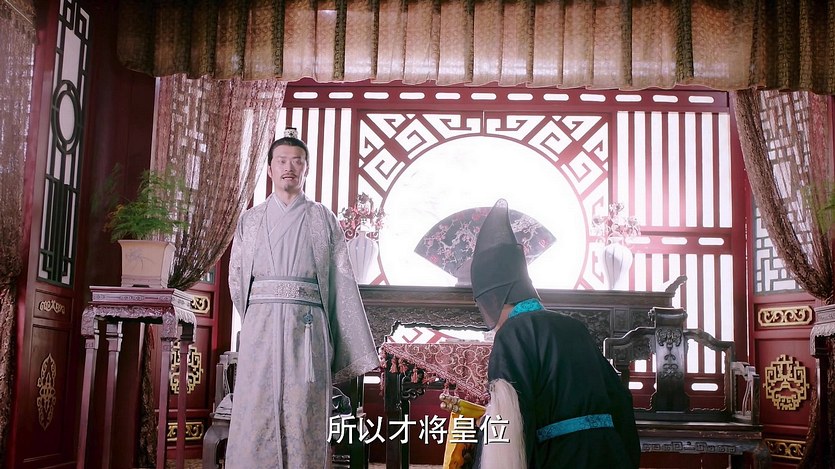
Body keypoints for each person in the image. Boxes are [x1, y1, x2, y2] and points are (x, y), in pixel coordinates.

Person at [225, 128, 379, 468]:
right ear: (269, 168)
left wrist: (335, 334)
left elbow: (341, 280)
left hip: (307, 328)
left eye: (297, 161)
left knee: (304, 404)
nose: (288, 168)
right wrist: (257, 317)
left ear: (306, 168)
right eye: (281, 161)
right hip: (261, 325)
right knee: (257, 402)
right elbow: (237, 279)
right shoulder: (251, 220)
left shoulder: (323, 219)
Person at [469, 199, 640, 469]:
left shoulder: (512, 334)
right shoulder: (574, 327)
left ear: (492, 299)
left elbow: (508, 423)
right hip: (610, 454)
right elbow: (620, 398)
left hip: (561, 459)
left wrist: (484, 432)